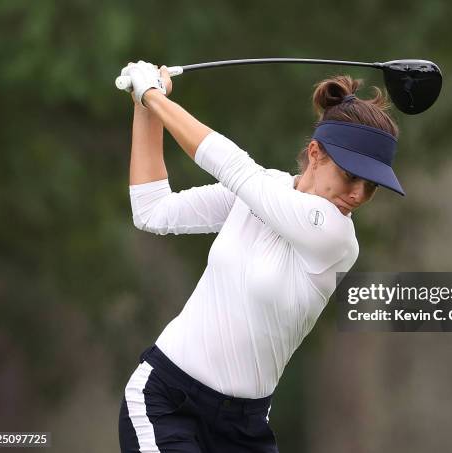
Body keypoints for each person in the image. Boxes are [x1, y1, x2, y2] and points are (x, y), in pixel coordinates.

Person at [117, 60, 404, 453]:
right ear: (316, 153)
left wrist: (153, 94)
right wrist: (143, 105)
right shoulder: (262, 190)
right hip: (167, 401)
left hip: (243, 427)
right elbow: (153, 210)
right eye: (351, 175)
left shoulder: (337, 237)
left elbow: (233, 167)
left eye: (371, 186)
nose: (358, 194)